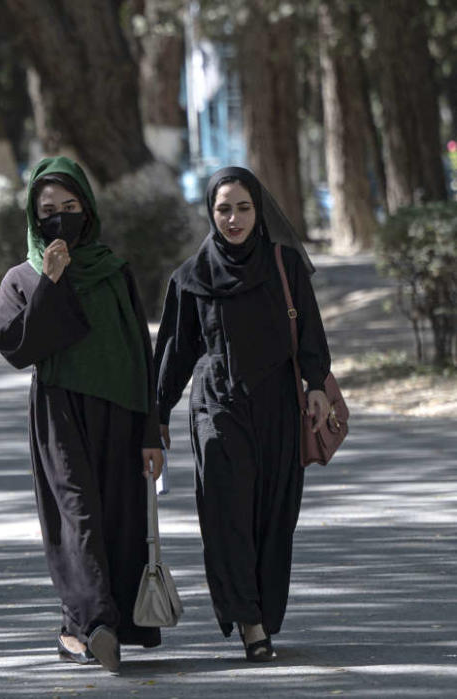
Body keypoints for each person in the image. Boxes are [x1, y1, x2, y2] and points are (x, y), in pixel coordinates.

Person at [0, 156, 164, 673]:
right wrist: (51, 283)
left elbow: (140, 350)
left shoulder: (114, 272)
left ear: (88, 210)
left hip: (122, 411)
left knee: (117, 517)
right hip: (59, 411)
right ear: (32, 216)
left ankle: (85, 628)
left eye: (70, 207)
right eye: (48, 210)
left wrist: (152, 430)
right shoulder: (22, 277)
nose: (60, 218)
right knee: (77, 515)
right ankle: (96, 623)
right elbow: (19, 348)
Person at [154, 167, 330, 663]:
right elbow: (174, 353)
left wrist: (315, 385)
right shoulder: (190, 278)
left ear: (260, 210)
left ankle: (265, 610)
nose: (233, 219)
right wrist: (156, 414)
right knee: (227, 513)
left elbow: (311, 332)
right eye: (223, 209)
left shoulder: (284, 265)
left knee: (275, 514)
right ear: (210, 213)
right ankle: (251, 623)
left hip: (278, 404)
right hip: (217, 407)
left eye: (243, 208)